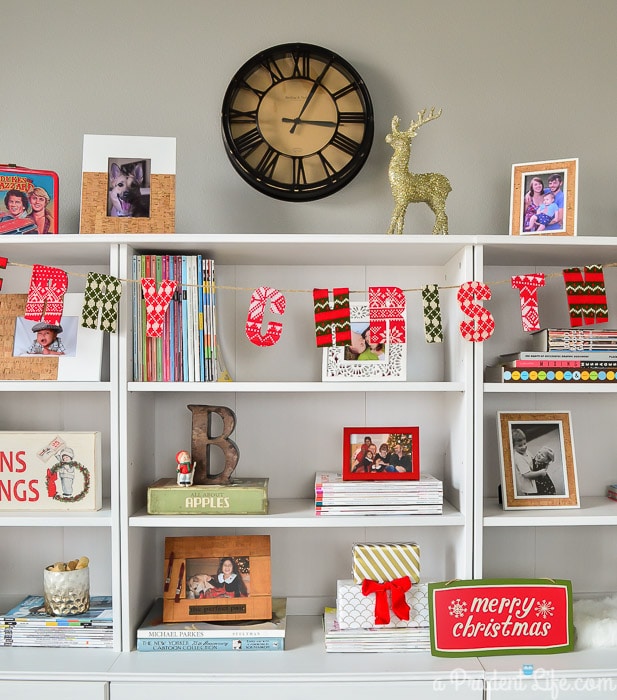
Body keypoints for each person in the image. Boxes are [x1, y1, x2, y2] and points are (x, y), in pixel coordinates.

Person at [512, 428, 549, 496]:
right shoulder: (519, 459)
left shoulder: (525, 451)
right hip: (529, 487)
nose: (524, 447)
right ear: (513, 447)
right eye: (520, 445)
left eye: (524, 443)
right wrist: (540, 472)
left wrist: (541, 458)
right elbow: (527, 475)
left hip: (534, 481)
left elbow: (533, 460)